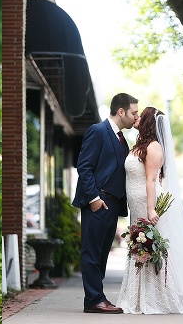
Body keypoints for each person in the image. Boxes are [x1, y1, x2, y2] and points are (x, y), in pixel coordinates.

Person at [116, 106, 183, 314]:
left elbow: (151, 180)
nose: (136, 117)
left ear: (147, 121)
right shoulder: (141, 144)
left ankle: (159, 298)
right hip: (136, 203)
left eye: (140, 115)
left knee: (150, 245)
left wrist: (151, 209)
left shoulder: (154, 147)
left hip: (147, 203)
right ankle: (137, 297)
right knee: (140, 246)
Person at [73, 93, 138, 314]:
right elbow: (84, 167)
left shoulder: (122, 138)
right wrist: (94, 199)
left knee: (101, 255)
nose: (135, 117)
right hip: (98, 203)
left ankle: (96, 297)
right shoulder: (98, 131)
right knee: (91, 253)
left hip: (112, 205)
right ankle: (93, 300)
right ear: (121, 111)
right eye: (133, 113)